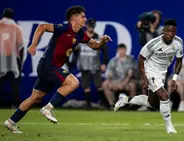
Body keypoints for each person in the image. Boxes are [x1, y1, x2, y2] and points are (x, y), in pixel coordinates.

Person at [3, 5, 112, 133]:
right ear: (74, 19)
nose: (85, 19)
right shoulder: (65, 27)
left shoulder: (81, 34)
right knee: (73, 82)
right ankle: (48, 108)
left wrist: (103, 41)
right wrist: (33, 45)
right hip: (47, 66)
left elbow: (95, 45)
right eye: (83, 16)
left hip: (51, 68)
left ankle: (11, 122)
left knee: (35, 98)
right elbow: (42, 27)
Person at [114, 19, 183, 134]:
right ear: (163, 31)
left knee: (152, 103)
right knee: (164, 97)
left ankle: (125, 99)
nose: (171, 34)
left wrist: (175, 79)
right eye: (168, 32)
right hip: (150, 70)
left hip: (162, 73)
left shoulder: (178, 43)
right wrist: (144, 77)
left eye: (174, 32)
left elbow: (179, 61)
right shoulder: (153, 43)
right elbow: (141, 58)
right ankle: (169, 127)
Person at [76, 18, 109, 109]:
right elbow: (75, 50)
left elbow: (105, 51)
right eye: (90, 25)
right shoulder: (81, 37)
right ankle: (88, 104)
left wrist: (104, 63)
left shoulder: (98, 37)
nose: (91, 28)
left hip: (95, 64)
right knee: (86, 85)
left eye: (93, 26)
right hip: (84, 64)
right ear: (86, 26)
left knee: (99, 85)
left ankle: (103, 104)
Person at [0, 8, 25, 108]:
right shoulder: (17, 27)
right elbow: (21, 46)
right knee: (15, 81)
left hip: (0, 56)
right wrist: (21, 61)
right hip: (13, 57)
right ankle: (15, 104)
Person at [102, 44, 136, 109]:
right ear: (118, 51)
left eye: (123, 50)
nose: (122, 51)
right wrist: (112, 80)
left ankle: (131, 105)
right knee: (105, 84)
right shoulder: (113, 61)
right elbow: (109, 74)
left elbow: (130, 74)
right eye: (120, 50)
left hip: (126, 82)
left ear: (125, 50)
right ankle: (112, 104)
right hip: (115, 82)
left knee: (132, 85)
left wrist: (123, 84)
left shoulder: (130, 60)